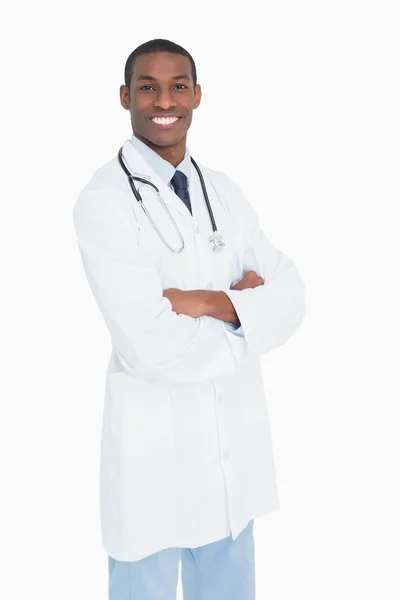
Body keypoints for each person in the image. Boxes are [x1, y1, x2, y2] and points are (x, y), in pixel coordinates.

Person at [73, 38, 306, 600]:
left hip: (232, 463)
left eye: (178, 85)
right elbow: (148, 346)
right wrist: (247, 320)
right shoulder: (103, 200)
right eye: (148, 86)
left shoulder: (222, 192)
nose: (164, 99)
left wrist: (203, 303)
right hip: (153, 460)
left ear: (197, 95)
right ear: (125, 96)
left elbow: (291, 297)